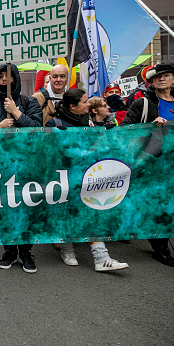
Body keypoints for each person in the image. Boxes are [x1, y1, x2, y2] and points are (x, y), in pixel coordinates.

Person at [48, 89, 130, 271]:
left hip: (87, 179)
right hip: (63, 179)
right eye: (84, 102)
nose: (88, 104)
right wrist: (55, 135)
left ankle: (101, 257)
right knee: (66, 213)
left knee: (91, 212)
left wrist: (105, 134)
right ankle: (68, 250)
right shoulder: (55, 123)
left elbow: (99, 149)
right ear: (72, 106)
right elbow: (47, 153)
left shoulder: (91, 124)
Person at [0, 63, 42, 273]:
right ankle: (10, 250)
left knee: (26, 208)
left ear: (16, 79)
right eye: (1, 76)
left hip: (25, 166)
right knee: (4, 208)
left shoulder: (29, 102)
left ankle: (26, 251)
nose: (4, 79)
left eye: (8, 76)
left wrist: (16, 113)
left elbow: (38, 129)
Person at [122, 63, 174, 268]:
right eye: (157, 77)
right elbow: (126, 129)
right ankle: (161, 248)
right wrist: (150, 124)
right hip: (152, 162)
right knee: (158, 204)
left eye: (166, 75)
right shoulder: (143, 104)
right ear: (151, 81)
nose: (161, 79)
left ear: (173, 79)